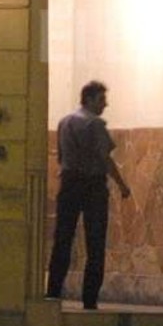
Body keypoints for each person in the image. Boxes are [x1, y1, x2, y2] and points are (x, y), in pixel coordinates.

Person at [46, 81, 132, 309]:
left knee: (62, 239)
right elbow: (105, 159)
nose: (106, 104)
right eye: (102, 100)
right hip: (92, 186)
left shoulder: (64, 122)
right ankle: (90, 299)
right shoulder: (95, 124)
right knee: (95, 243)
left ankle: (53, 293)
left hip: (68, 184)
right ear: (91, 99)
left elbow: (61, 157)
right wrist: (122, 185)